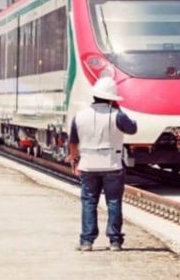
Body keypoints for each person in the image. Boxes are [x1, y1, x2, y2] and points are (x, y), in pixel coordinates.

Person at [66, 77, 137, 252]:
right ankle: (115, 241)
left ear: (95, 96)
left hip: (88, 165)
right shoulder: (117, 116)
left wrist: (75, 160)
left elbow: (73, 142)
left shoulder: (80, 117)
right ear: (112, 98)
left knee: (89, 202)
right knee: (113, 202)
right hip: (112, 165)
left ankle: (87, 241)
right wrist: (118, 109)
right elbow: (132, 128)